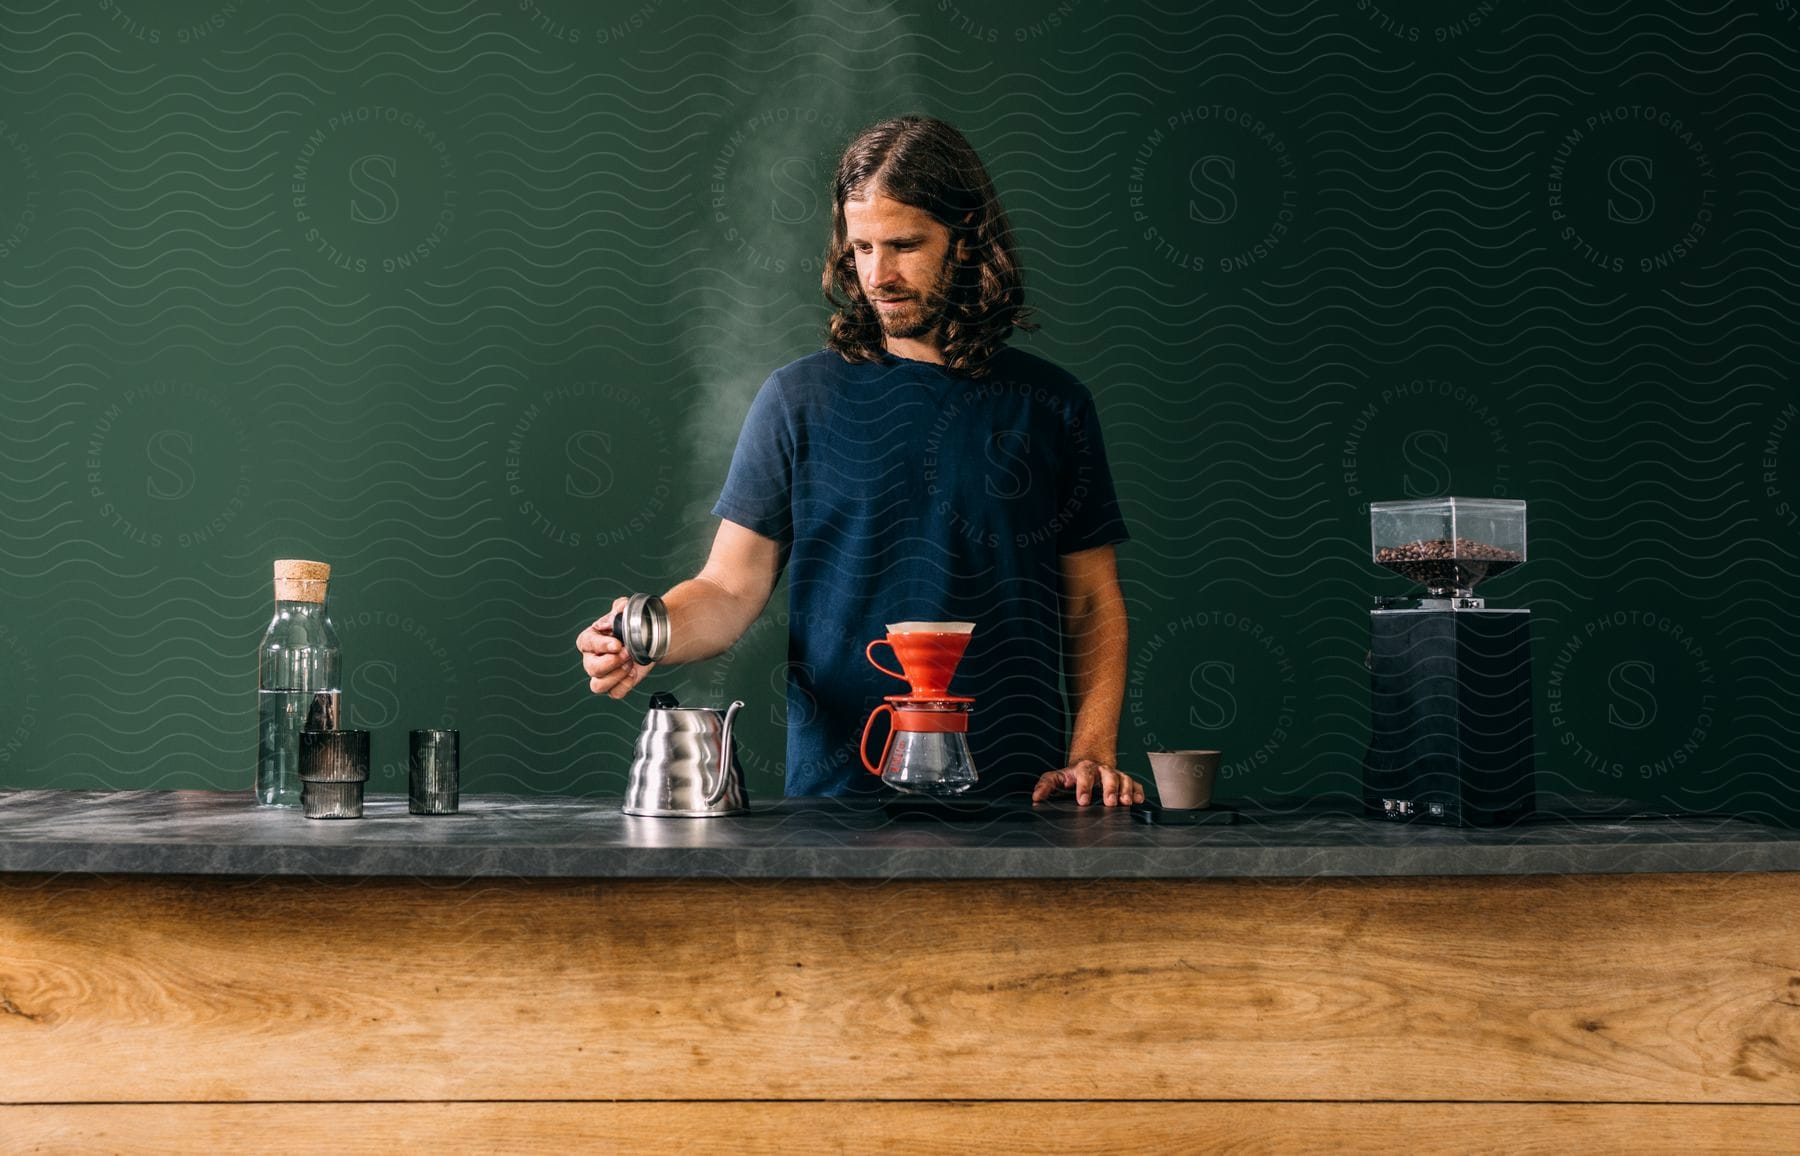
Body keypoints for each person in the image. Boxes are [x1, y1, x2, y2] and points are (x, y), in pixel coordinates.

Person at [575, 115, 1142, 807]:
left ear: (965, 237)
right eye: (862, 246)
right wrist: (649, 633)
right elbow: (728, 589)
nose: (878, 275)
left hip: (1024, 801)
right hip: (837, 807)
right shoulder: (797, 400)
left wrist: (1091, 752)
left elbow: (1089, 602)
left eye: (904, 245)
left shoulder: (1050, 405)